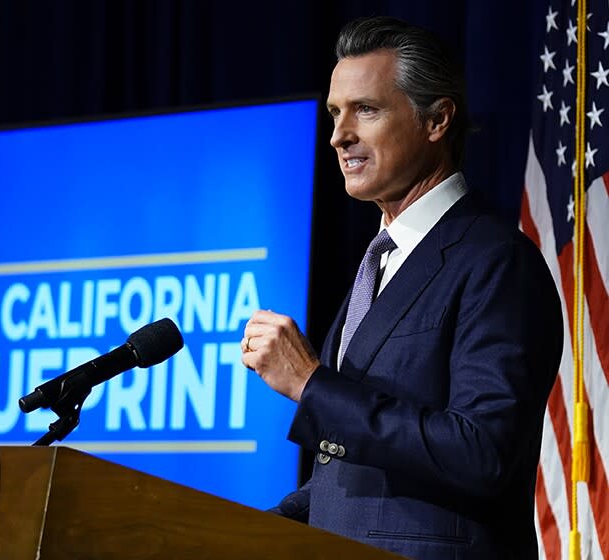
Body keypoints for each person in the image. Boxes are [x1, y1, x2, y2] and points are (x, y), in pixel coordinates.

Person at [241, 16, 563, 560]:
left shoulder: (496, 261)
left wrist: (311, 383)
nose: (339, 135)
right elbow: (362, 478)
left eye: (365, 110)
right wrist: (229, 530)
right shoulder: (381, 262)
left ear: (436, 120)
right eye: (335, 114)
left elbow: (482, 452)